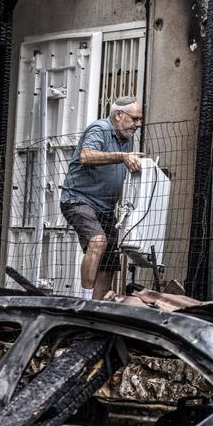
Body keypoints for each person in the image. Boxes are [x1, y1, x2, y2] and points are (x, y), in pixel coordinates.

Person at [60, 96, 143, 300]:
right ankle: (86, 300)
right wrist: (122, 156)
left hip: (106, 207)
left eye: (140, 120)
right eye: (135, 119)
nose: (138, 124)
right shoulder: (100, 129)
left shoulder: (126, 140)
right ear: (118, 115)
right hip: (79, 199)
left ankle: (99, 307)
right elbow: (86, 156)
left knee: (110, 261)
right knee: (98, 242)